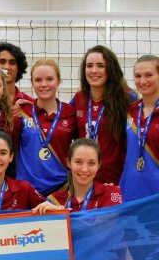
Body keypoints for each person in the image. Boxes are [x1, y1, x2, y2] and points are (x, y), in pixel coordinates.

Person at [71, 45, 138, 185]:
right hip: (85, 180)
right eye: (89, 66)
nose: (94, 70)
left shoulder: (127, 98)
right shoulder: (78, 98)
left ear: (110, 69)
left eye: (100, 65)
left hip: (115, 181)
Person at [17, 59, 77, 196]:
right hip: (27, 191)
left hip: (61, 191)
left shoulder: (70, 112)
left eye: (49, 79)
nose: (44, 84)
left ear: (58, 82)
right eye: (38, 80)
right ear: (32, 83)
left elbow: (81, 147)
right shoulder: (21, 112)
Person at [33, 138, 123, 214]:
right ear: (69, 163)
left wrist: (62, 215)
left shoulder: (111, 193)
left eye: (91, 163)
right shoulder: (53, 200)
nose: (84, 169)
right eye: (78, 162)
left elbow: (107, 228)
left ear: (98, 165)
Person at [120, 55, 159, 202]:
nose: (142, 81)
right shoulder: (130, 111)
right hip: (131, 194)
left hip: (155, 196)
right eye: (138, 76)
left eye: (149, 75)